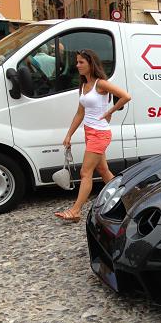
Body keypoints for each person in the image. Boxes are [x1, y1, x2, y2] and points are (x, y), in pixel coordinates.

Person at [55, 49, 131, 222]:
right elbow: (80, 113)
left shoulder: (101, 84)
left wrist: (109, 111)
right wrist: (69, 135)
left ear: (91, 64)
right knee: (103, 170)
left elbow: (126, 96)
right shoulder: (83, 86)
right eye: (77, 62)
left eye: (81, 62)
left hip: (100, 133)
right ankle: (126, 198)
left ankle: (75, 211)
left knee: (85, 172)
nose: (77, 65)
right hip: (89, 132)